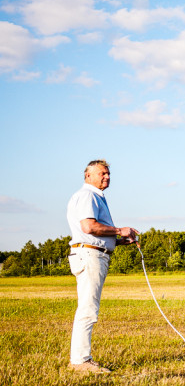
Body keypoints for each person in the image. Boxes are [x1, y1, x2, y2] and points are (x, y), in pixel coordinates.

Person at [66, 160, 138, 374]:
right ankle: (80, 361)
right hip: (90, 255)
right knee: (88, 309)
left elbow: (96, 232)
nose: (106, 177)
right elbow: (89, 227)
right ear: (88, 176)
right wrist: (119, 230)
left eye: (108, 174)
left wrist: (121, 240)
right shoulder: (88, 195)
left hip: (93, 253)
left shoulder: (95, 197)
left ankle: (81, 359)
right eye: (102, 173)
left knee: (89, 308)